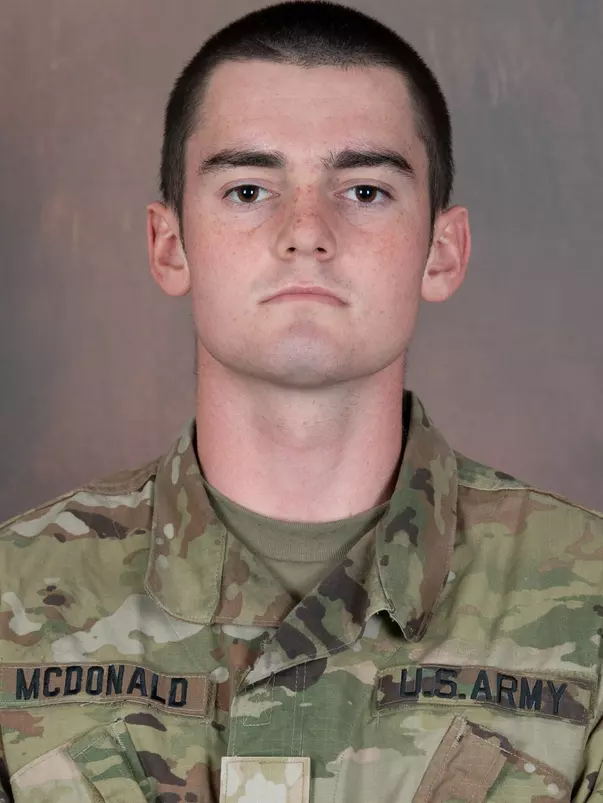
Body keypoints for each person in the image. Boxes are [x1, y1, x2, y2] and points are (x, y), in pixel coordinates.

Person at [0, 1, 601, 801]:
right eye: (248, 190)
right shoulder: (12, 601)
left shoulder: (589, 608)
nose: (305, 230)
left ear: (442, 251)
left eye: (364, 190)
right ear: (169, 245)